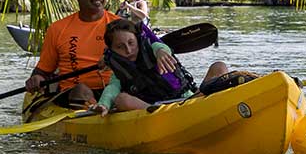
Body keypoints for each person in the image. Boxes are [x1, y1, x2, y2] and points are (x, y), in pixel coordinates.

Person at [23, 0, 181, 116]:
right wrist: (37, 79)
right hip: (75, 95)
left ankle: (155, 111)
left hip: (117, 88)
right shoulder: (57, 29)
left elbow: (147, 48)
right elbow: (42, 72)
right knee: (81, 89)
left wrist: (160, 51)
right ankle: (96, 110)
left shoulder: (119, 26)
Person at [95, 19, 232, 113]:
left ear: (138, 40)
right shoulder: (120, 73)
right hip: (154, 109)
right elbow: (112, 89)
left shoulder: (155, 50)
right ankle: (157, 114)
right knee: (121, 99)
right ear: (112, 50)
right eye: (120, 47)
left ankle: (223, 104)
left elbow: (160, 47)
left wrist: (161, 53)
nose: (128, 50)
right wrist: (103, 104)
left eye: (131, 43)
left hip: (188, 100)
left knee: (219, 66)